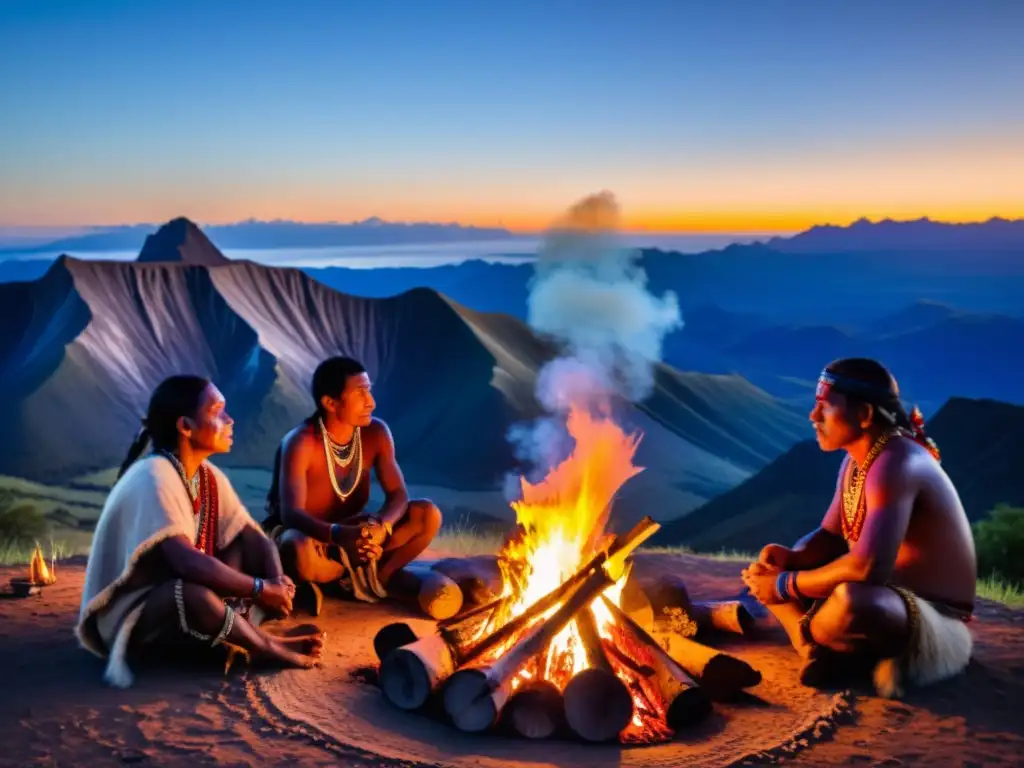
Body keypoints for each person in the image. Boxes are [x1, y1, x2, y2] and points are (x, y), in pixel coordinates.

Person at [741, 358, 976, 697]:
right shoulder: (858, 459)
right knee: (764, 573)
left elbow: (868, 568)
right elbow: (831, 535)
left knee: (852, 603)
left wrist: (784, 586)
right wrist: (791, 559)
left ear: (865, 415)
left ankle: (805, 639)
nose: (813, 416)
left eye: (824, 407)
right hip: (885, 594)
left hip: (932, 617)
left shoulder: (896, 461)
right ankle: (821, 645)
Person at [77, 375, 324, 688]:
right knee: (190, 592)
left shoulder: (206, 476)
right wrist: (262, 590)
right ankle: (264, 646)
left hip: (182, 599)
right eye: (218, 412)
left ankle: (232, 633)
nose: (230, 420)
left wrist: (276, 581)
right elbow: (186, 563)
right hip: (134, 615)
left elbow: (253, 537)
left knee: (237, 539)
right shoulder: (155, 476)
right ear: (186, 427)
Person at [264, 356, 442, 614]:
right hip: (314, 539)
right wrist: (339, 536)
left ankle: (377, 577)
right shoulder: (302, 442)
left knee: (427, 515)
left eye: (368, 390)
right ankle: (341, 576)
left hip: (358, 535)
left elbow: (398, 494)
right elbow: (292, 515)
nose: (371, 402)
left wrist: (382, 525)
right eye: (360, 393)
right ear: (330, 403)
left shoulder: (376, 433)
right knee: (296, 548)